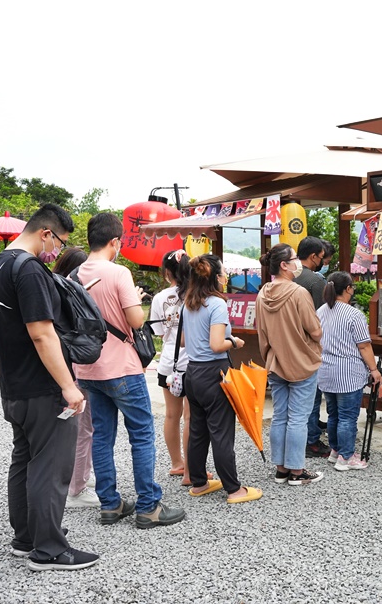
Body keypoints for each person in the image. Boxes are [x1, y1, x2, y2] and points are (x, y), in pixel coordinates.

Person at [0, 203, 98, 571]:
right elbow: (41, 331)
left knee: (25, 459)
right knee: (50, 465)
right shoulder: (30, 269)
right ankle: (49, 549)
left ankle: (26, 537)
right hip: (42, 385)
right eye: (60, 243)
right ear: (46, 233)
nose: (58, 252)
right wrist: (68, 385)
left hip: (13, 384)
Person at [72, 212, 184, 529]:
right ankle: (149, 506)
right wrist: (134, 297)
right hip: (122, 367)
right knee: (141, 436)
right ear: (115, 242)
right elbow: (135, 321)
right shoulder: (118, 273)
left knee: (102, 437)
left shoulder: (74, 275)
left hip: (88, 370)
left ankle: (110, 504)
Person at [180, 254, 262, 504]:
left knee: (198, 430)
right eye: (224, 273)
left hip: (192, 373)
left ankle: (199, 483)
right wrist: (234, 342)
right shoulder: (216, 304)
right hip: (214, 373)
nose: (226, 277)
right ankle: (233, 488)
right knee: (222, 432)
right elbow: (217, 345)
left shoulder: (189, 302)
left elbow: (183, 341)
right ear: (216, 278)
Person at [256, 243, 324, 485]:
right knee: (298, 418)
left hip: (275, 361)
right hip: (301, 361)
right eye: (294, 259)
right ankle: (297, 471)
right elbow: (315, 332)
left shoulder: (262, 293)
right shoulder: (298, 293)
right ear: (284, 265)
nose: (298, 263)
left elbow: (261, 331)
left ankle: (281, 469)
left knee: (280, 416)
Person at [316, 272, 382, 471]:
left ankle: (336, 450)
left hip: (325, 370)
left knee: (333, 413)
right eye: (352, 286)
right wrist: (374, 370)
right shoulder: (354, 315)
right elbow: (364, 346)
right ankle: (346, 457)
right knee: (347, 416)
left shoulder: (321, 311)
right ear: (347, 289)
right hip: (347, 372)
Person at [51, 247, 99, 510]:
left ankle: (76, 477)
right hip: (76, 372)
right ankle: (76, 488)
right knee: (83, 429)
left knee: (73, 428)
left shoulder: (51, 289)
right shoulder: (72, 294)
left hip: (59, 370)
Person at [150, 249, 194, 485]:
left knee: (171, 415)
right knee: (190, 417)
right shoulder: (197, 295)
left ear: (168, 272)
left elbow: (159, 333)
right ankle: (191, 468)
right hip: (193, 363)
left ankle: (176, 463)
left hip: (168, 362)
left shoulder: (159, 298)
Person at [294, 236, 332, 459]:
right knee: (311, 396)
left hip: (286, 346)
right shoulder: (315, 282)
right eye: (320, 257)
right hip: (308, 345)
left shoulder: (287, 276)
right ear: (313, 256)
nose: (322, 261)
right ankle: (311, 441)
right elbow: (322, 316)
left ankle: (298, 440)